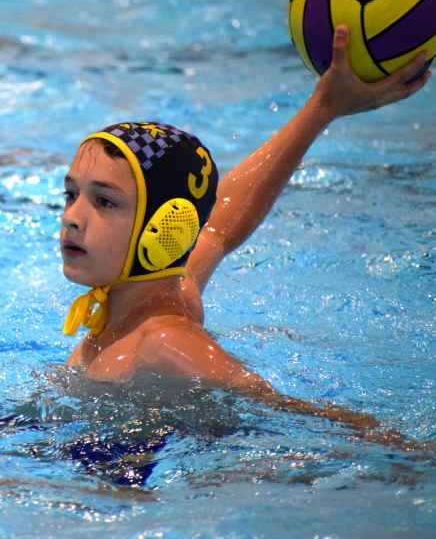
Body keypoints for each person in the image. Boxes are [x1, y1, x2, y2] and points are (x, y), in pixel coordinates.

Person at [60, 26, 431, 450]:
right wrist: (322, 107)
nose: (72, 218)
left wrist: (404, 452)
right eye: (71, 195)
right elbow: (218, 228)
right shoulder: (168, 293)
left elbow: (278, 409)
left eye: (104, 202)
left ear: (166, 225)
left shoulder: (163, 342)